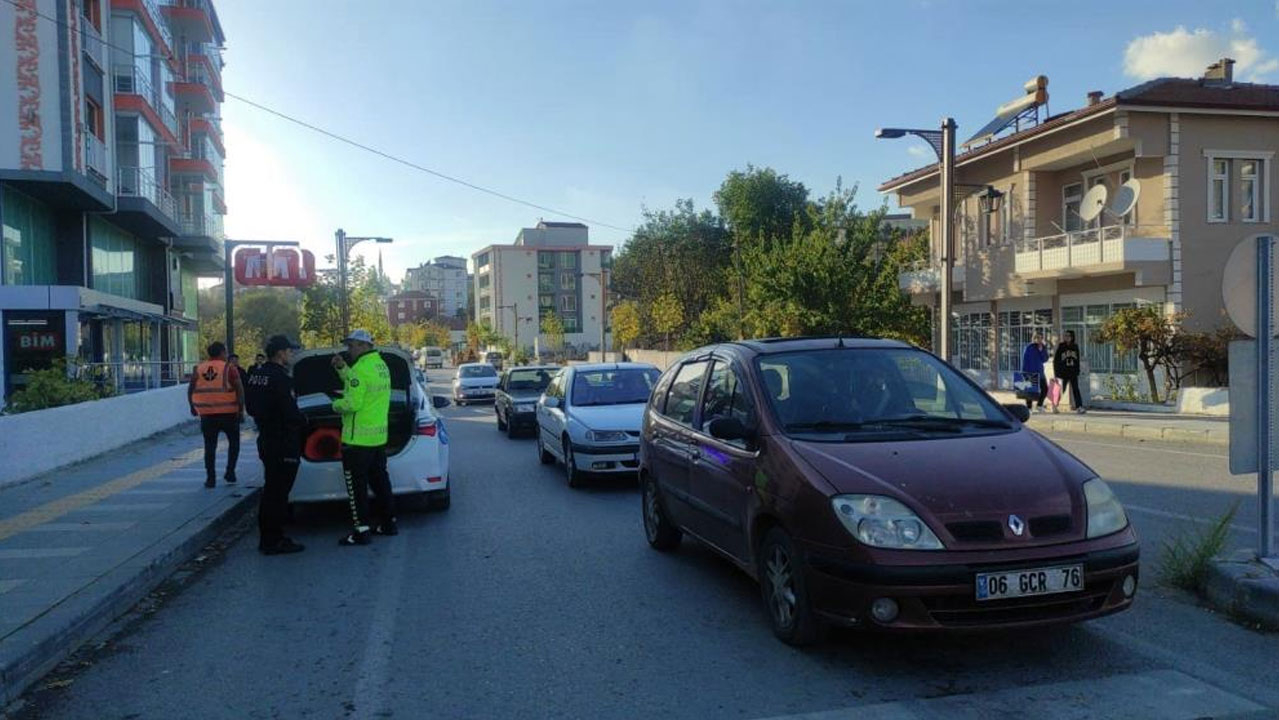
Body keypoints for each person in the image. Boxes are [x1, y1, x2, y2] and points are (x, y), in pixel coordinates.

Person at [331, 329, 396, 546]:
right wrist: (342, 369)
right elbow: (359, 384)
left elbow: (353, 403)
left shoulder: (359, 369)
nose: (349, 350)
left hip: (357, 441)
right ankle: (388, 523)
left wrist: (334, 405)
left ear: (362, 345)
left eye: (351, 346)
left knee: (356, 488)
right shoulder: (380, 366)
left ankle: (361, 531)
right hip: (377, 439)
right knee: (381, 483)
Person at [245, 335, 306, 555]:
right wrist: (303, 421)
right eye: (289, 351)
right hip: (283, 441)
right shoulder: (281, 378)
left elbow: (251, 407)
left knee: (271, 489)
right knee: (278, 494)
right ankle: (274, 539)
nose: (291, 355)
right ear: (280, 353)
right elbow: (290, 412)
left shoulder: (256, 375)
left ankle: (269, 537)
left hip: (266, 439)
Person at [188, 341, 244, 487]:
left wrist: (192, 407)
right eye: (225, 352)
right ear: (221, 352)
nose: (226, 355)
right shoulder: (229, 368)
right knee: (234, 443)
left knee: (210, 446)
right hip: (229, 414)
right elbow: (239, 389)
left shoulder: (199, 368)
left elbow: (191, 388)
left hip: (207, 415)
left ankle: (210, 478)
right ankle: (230, 472)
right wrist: (241, 410)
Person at [1053, 330, 1085, 414]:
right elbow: (1056, 360)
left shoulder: (1075, 347)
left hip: (1072, 372)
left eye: (1068, 336)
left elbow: (1077, 360)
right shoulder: (1061, 346)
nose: (1066, 337)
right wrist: (1056, 372)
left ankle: (1079, 407)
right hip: (1063, 372)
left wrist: (1077, 370)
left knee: (1076, 389)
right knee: (1061, 389)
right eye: (1065, 336)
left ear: (1072, 337)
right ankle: (1054, 405)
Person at [1021, 334, 1050, 412]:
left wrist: (1041, 350)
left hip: (1040, 372)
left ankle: (1039, 405)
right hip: (1030, 371)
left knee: (1045, 389)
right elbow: (1025, 360)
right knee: (1030, 390)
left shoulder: (1043, 347)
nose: (1038, 340)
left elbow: (1045, 359)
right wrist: (1024, 373)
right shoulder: (1029, 347)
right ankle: (1029, 407)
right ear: (1033, 339)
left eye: (1040, 338)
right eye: (1037, 338)